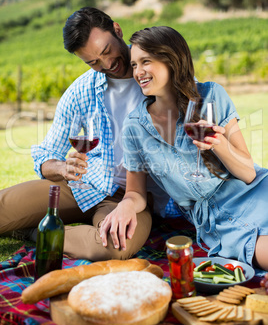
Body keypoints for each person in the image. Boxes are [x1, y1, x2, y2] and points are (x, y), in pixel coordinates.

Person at [0, 8, 175, 261]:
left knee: (113, 246)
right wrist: (62, 168)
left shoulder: (158, 78)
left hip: (130, 200)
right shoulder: (82, 90)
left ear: (117, 30)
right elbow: (47, 153)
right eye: (92, 62)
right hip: (82, 185)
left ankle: (37, 231)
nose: (106, 64)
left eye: (106, 51)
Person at [100, 25, 268, 271]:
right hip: (219, 220)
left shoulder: (212, 96)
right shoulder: (135, 127)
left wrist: (218, 144)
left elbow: (248, 173)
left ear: (172, 60)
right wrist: (126, 204)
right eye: (134, 64)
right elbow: (135, 193)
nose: (138, 72)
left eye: (146, 61)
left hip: (255, 193)